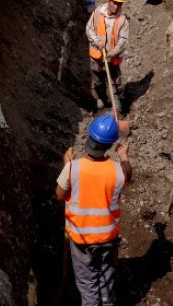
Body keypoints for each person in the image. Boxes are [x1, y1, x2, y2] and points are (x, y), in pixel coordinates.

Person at [55, 115, 131, 306]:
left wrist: (67, 167)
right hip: (108, 238)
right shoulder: (118, 171)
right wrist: (123, 156)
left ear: (89, 137)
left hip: (82, 239)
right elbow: (128, 173)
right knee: (106, 273)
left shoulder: (73, 168)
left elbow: (60, 195)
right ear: (110, 145)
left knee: (87, 282)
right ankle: (107, 301)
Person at [85, 0, 129, 111]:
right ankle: (102, 98)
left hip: (112, 58)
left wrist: (113, 52)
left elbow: (123, 40)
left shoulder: (122, 20)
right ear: (108, 1)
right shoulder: (98, 13)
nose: (116, 6)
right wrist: (98, 43)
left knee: (115, 81)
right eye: (114, 3)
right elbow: (89, 30)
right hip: (97, 56)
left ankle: (117, 101)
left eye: (119, 4)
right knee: (98, 80)